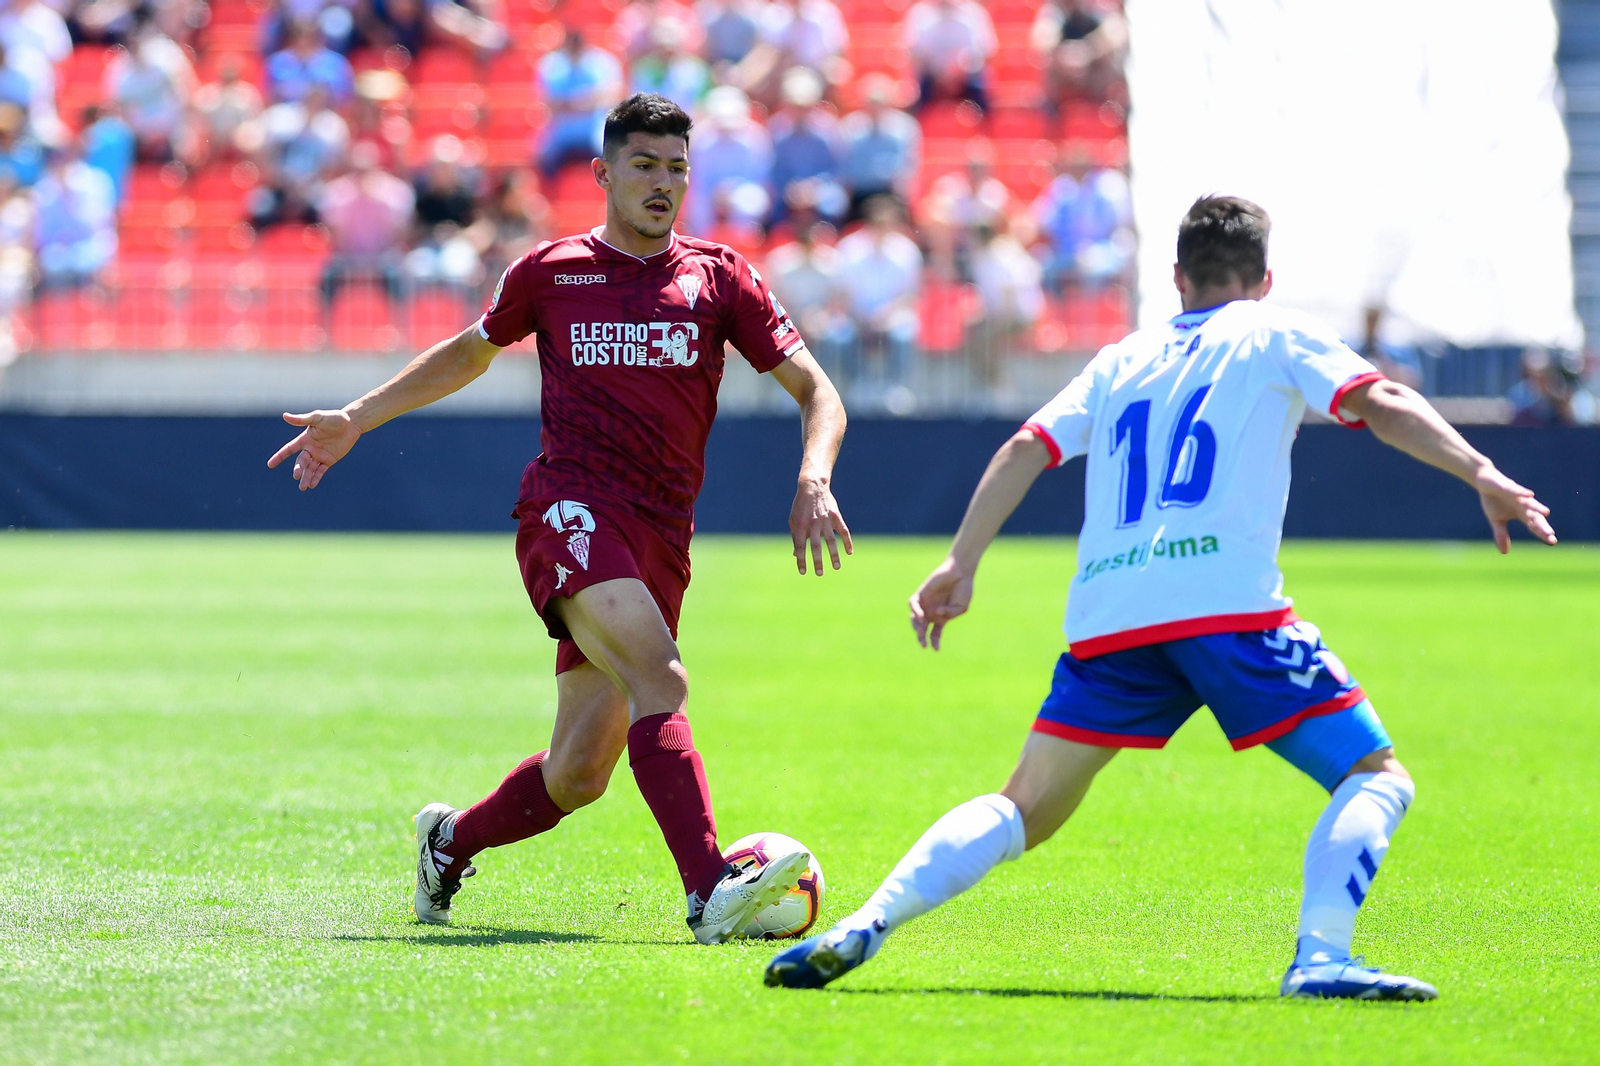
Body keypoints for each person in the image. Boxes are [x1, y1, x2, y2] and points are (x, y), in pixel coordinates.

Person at [766, 195, 1558, 998]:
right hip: (1227, 610)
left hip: (1114, 613)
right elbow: (1377, 401)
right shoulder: (1274, 330)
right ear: (1265, 277)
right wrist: (1483, 472)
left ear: (1177, 279)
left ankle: (866, 922)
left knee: (1024, 806)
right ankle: (1321, 960)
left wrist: (959, 563)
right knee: (1376, 776)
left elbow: (1023, 448)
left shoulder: (1121, 357)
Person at [266, 94, 853, 945]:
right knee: (666, 678)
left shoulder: (720, 277)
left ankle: (448, 840)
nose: (662, 184)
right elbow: (469, 351)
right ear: (603, 173)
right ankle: (707, 891)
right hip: (568, 510)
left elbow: (818, 390)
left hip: (660, 538)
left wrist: (814, 472)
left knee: (579, 773)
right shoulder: (551, 271)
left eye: (677, 169)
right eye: (645, 165)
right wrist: (357, 417)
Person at [536, 29, 622, 180]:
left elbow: (611, 96)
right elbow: (551, 103)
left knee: (614, 161)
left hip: (593, 132)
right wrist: (587, 101)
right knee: (544, 161)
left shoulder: (600, 63)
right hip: (561, 134)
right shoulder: (553, 65)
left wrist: (571, 104)